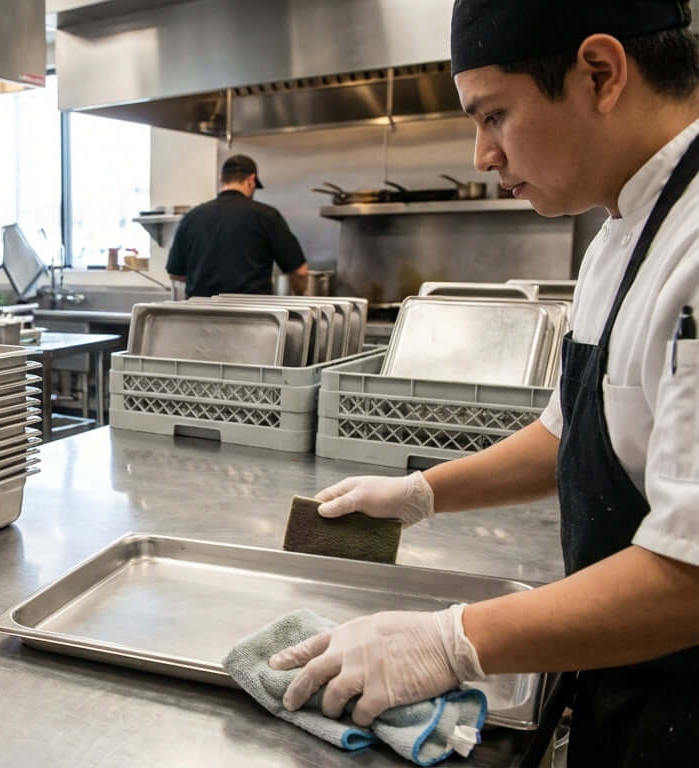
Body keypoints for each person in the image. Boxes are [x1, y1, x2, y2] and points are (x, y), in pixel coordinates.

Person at [269, 2, 699, 764]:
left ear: (600, 74)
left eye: (494, 115)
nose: (483, 156)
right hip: (632, 688)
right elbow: (571, 432)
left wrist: (454, 639)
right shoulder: (622, 230)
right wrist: (422, 494)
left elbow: (690, 572)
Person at [166, 154, 309, 298]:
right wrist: (299, 294)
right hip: (251, 316)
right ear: (251, 180)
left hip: (198, 316)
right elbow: (300, 272)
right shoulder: (266, 215)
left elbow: (174, 273)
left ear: (221, 180)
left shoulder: (191, 217)